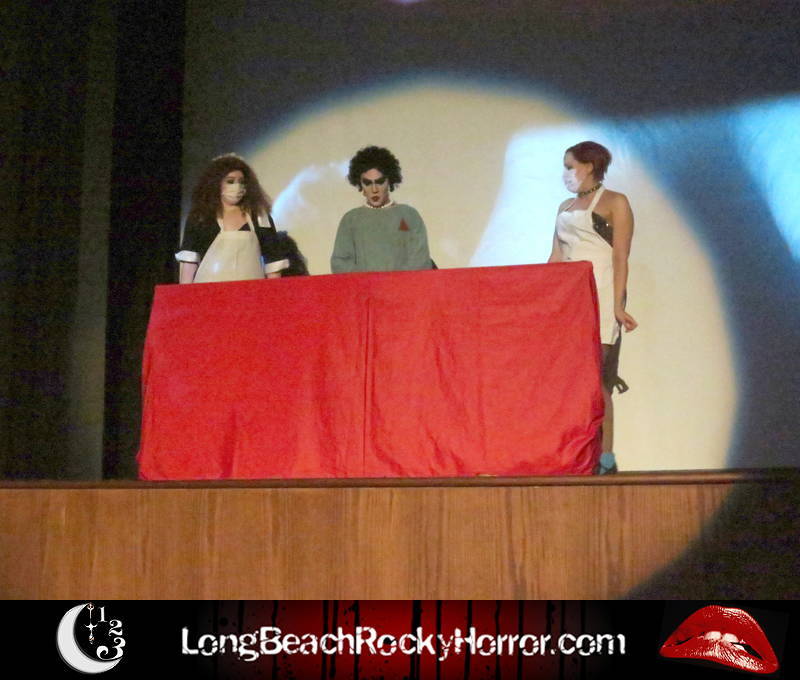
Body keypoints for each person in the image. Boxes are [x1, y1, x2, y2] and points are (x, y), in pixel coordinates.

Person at [548, 141, 638, 474]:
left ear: (588, 167)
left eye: (569, 167)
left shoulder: (615, 202)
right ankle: (572, 452)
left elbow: (620, 257)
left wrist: (618, 305)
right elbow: (555, 257)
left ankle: (605, 457)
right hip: (568, 298)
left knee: (597, 379)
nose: (565, 173)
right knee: (568, 379)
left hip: (600, 293)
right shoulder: (565, 206)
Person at [176, 153, 308, 283]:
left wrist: (273, 292)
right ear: (216, 183)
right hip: (208, 291)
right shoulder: (201, 217)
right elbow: (189, 261)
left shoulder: (259, 217)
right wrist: (185, 293)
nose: (237, 186)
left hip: (251, 292)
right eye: (230, 181)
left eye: (241, 182)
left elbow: (272, 262)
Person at [331, 146, 433, 273]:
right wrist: (370, 281)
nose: (374, 189)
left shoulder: (408, 215)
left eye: (380, 182)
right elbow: (340, 263)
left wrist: (393, 281)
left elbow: (420, 260)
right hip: (364, 286)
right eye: (367, 183)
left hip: (404, 285)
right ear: (360, 183)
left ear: (390, 181)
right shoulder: (351, 220)